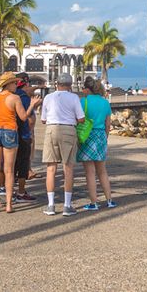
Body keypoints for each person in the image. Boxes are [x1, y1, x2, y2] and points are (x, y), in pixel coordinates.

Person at [0, 72, 40, 214]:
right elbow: (23, 117)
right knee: (9, 170)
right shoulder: (15, 98)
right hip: (10, 131)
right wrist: (32, 105)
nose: (16, 85)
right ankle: (8, 205)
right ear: (8, 84)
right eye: (14, 83)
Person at [39, 72, 85, 216]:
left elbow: (43, 120)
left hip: (51, 129)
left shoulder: (48, 97)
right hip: (68, 130)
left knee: (51, 168)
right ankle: (67, 205)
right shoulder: (74, 97)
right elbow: (81, 118)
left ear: (56, 84)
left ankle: (51, 205)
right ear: (70, 85)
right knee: (68, 168)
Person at [78, 77, 116, 210]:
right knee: (102, 171)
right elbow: (108, 124)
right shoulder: (105, 102)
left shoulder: (83, 101)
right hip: (100, 136)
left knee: (90, 172)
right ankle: (109, 200)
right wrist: (105, 138)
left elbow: (78, 120)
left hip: (87, 136)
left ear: (88, 89)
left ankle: (94, 202)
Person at [11, 72, 37, 203]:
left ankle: (7, 191)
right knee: (22, 164)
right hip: (23, 134)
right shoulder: (24, 99)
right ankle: (21, 192)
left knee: (10, 165)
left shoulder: (6, 96)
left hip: (9, 134)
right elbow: (28, 118)